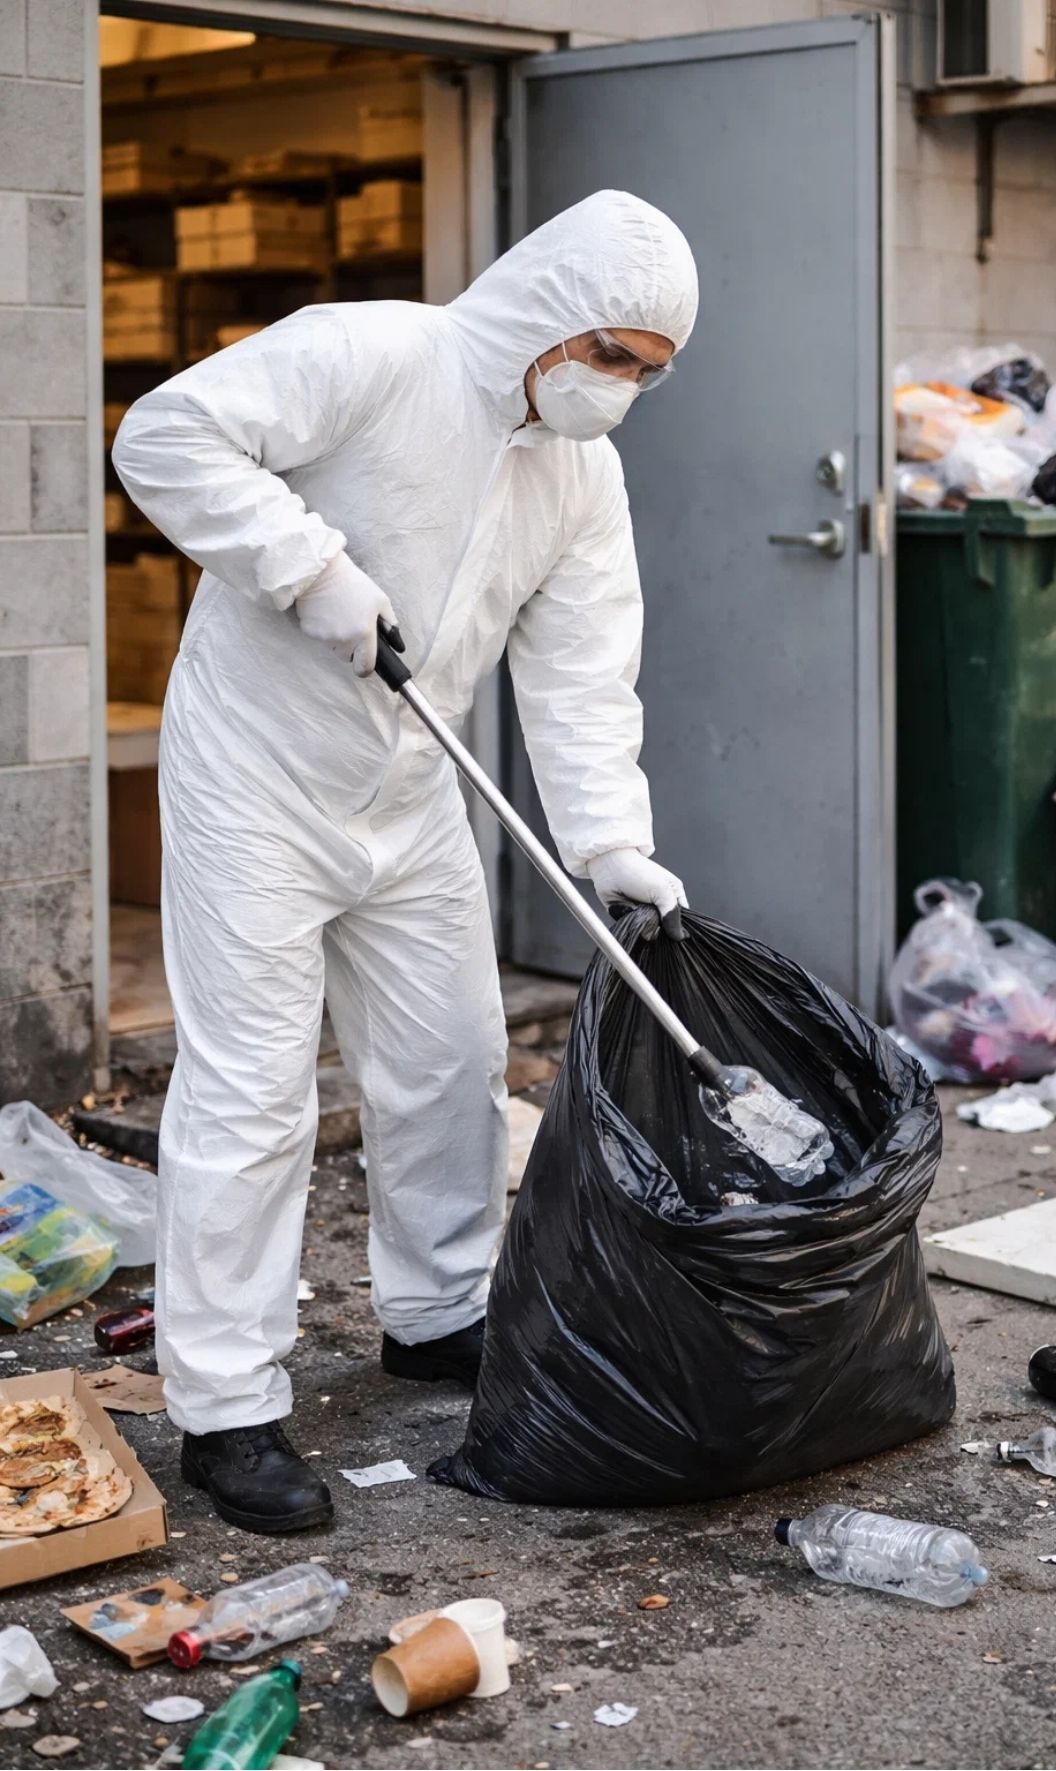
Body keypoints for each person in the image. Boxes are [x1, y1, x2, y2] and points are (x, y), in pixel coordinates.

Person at [112, 189, 698, 1535]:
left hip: (410, 785)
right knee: (254, 1087)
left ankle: (436, 1314)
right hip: (256, 774)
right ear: (551, 314)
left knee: (448, 1056)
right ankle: (226, 1406)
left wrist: (613, 845)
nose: (617, 390)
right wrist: (302, 564)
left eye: (645, 375)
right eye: (610, 353)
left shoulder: (576, 471)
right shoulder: (372, 354)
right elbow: (168, 432)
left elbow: (581, 673)